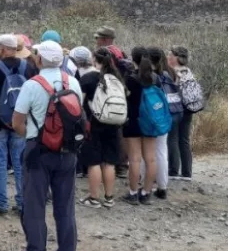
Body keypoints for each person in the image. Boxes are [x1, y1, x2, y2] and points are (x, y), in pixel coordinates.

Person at [12, 40, 82, 251]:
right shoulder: (73, 82)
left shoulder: (32, 85)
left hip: (38, 151)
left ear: (39, 59)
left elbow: (17, 122)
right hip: (68, 151)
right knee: (65, 206)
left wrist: (32, 137)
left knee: (34, 205)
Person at [0, 34, 34, 215]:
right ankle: (22, 203)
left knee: (1, 161)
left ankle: (1, 203)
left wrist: (0, 115)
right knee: (20, 162)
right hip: (21, 122)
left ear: (3, 49)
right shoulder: (28, 67)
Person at [75, 47, 122, 208]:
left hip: (93, 124)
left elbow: (79, 104)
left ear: (94, 60)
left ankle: (94, 198)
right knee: (109, 161)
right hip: (113, 123)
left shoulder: (88, 78)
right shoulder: (116, 78)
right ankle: (109, 197)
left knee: (93, 161)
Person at [123, 48, 157, 205]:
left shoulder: (130, 79)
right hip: (150, 121)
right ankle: (147, 192)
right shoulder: (154, 78)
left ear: (133, 59)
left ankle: (133, 193)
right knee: (150, 158)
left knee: (134, 159)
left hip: (134, 121)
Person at [148, 47, 177, 200]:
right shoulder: (169, 73)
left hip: (150, 117)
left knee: (147, 152)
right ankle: (162, 186)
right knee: (161, 151)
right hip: (165, 116)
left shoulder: (148, 76)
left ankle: (145, 183)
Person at [167, 46, 196, 181]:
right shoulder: (189, 72)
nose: (168, 58)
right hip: (188, 109)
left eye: (170, 55)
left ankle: (173, 170)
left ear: (177, 58)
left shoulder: (173, 74)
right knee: (184, 140)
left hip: (175, 109)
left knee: (172, 138)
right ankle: (187, 172)